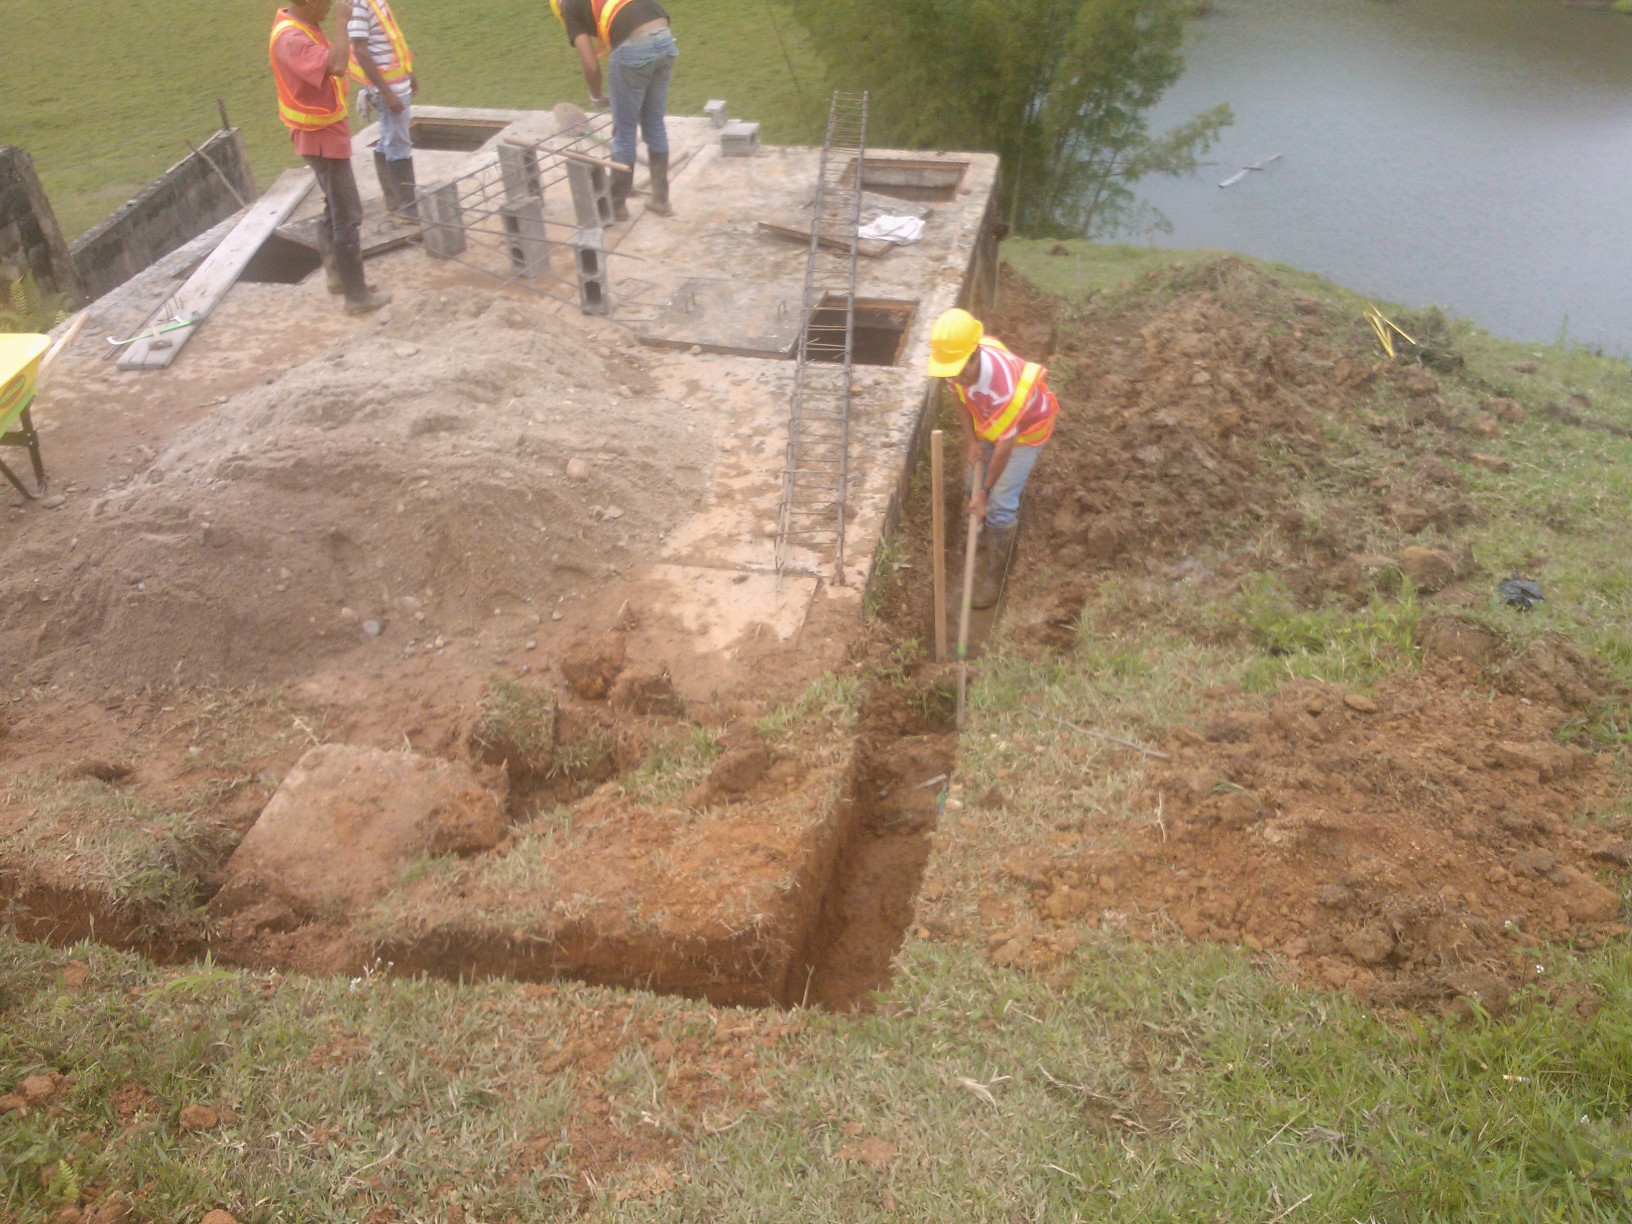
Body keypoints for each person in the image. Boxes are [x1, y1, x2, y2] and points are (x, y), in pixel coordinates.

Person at [926, 307, 1061, 608]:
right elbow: (958, 398)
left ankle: (996, 575)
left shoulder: (1003, 388)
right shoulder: (956, 365)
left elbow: (1004, 445)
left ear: (976, 355)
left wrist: (986, 493)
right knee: (968, 486)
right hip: (991, 423)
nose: (957, 378)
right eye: (951, 373)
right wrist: (971, 441)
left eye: (962, 372)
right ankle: (987, 531)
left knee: (999, 503)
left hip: (1026, 431)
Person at [270, 0, 390, 315]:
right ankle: (357, 295)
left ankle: (337, 278)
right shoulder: (291, 39)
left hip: (319, 131)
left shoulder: (299, 25)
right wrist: (342, 21)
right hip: (320, 136)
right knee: (348, 214)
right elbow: (336, 65)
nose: (330, 5)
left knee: (333, 205)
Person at [550, 0, 678, 221]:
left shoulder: (568, 6)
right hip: (664, 38)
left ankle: (616, 205)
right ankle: (660, 199)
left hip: (634, 46)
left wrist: (596, 96)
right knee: (654, 123)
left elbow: (590, 64)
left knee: (624, 131)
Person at [348, 0, 419, 226]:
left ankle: (394, 202)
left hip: (396, 85)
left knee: (388, 140)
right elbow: (360, 50)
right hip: (389, 90)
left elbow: (391, 41)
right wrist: (386, 92)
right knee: (398, 144)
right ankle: (407, 208)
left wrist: (409, 73)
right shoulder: (358, 3)